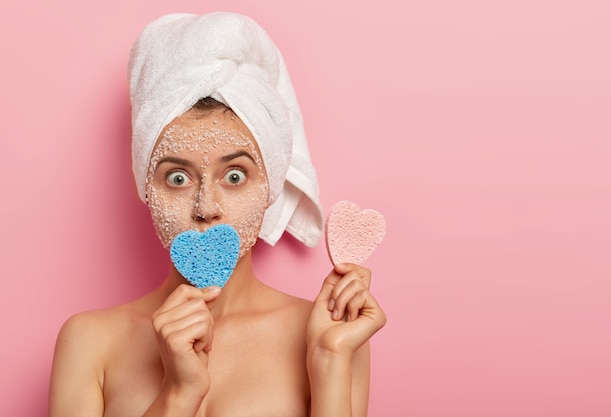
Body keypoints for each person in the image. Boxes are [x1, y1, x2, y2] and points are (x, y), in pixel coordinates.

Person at [48, 11, 386, 417]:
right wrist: (178, 393)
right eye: (177, 178)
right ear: (145, 188)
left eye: (235, 175)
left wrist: (330, 360)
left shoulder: (332, 331)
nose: (206, 208)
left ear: (270, 188)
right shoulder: (88, 342)